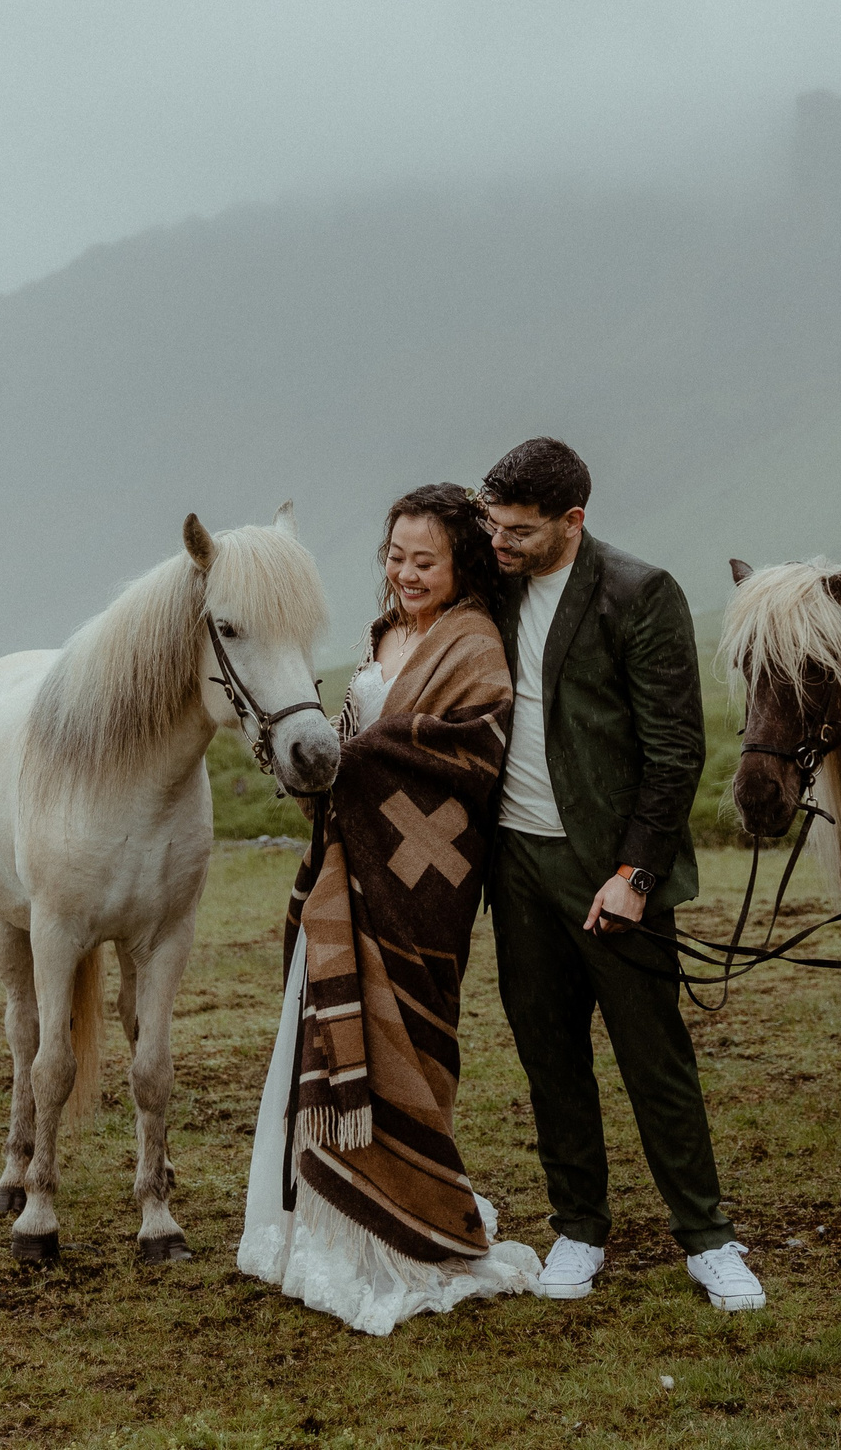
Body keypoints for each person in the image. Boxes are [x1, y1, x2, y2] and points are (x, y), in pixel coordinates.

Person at [237, 482, 541, 1334]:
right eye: (395, 557)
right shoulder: (384, 637)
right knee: (328, 1040)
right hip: (347, 878)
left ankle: (407, 1224)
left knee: (404, 1039)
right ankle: (330, 1229)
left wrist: (357, 756)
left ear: (460, 564)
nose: (406, 574)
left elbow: (472, 753)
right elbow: (348, 741)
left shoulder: (474, 642)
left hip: (422, 888)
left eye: (425, 560)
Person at [478, 436, 766, 1312]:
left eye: (521, 531)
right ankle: (578, 1226)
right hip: (515, 864)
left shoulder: (639, 593)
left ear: (573, 521)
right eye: (494, 524)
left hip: (610, 872)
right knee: (548, 1054)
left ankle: (709, 1239)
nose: (501, 542)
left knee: (654, 1058)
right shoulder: (488, 580)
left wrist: (636, 873)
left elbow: (677, 750)